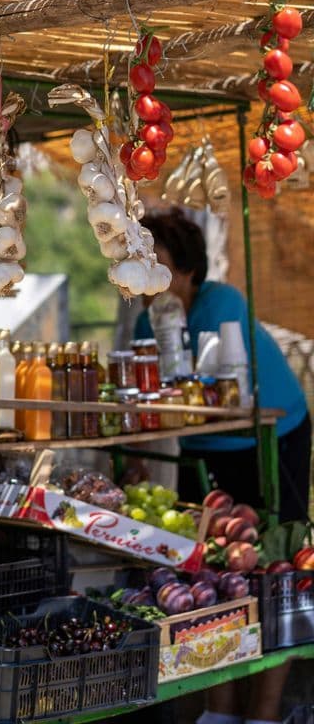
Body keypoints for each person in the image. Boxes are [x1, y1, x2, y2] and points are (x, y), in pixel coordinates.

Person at [133, 210, 311, 724]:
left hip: (272, 438)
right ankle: (220, 701)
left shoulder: (221, 303)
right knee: (206, 563)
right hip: (203, 444)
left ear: (187, 269)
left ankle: (266, 707)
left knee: (274, 561)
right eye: (137, 259)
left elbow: (197, 388)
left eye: (156, 260)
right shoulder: (150, 319)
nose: (144, 270)